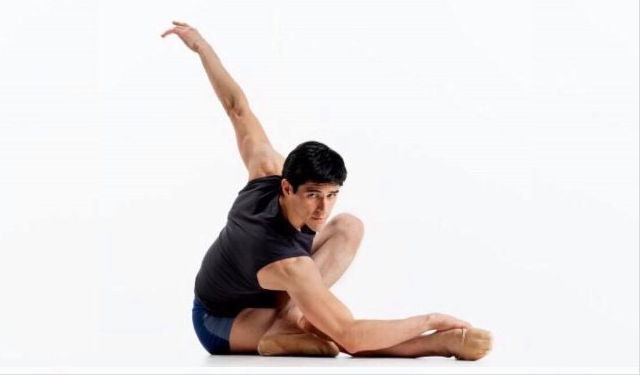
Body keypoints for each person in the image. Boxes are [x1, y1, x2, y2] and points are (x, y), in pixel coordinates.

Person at [161, 21, 493, 360]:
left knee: (349, 226)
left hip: (267, 285)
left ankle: (287, 323)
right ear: (287, 187)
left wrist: (202, 47)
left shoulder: (267, 166)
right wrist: (430, 321)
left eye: (331, 194)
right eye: (312, 195)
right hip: (221, 318)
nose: (323, 208)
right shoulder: (289, 263)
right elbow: (353, 336)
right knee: (328, 330)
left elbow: (237, 107)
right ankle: (438, 344)